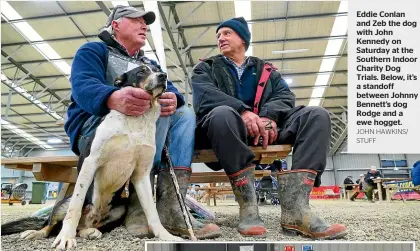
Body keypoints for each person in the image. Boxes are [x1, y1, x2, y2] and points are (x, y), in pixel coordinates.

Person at [64, 5, 221, 239]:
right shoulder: (93, 51)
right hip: (96, 129)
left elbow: (174, 92)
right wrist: (112, 97)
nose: (144, 26)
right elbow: (82, 86)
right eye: (136, 20)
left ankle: (171, 206)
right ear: (115, 25)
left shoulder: (150, 64)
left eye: (145, 22)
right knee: (150, 109)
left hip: (139, 134)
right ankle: (137, 209)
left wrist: (172, 99)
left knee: (184, 112)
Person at [191, 17, 346, 239]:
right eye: (218, 35)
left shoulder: (266, 70)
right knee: (223, 113)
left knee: (316, 115)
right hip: (223, 132)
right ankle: (248, 208)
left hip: (265, 131)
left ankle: (297, 210)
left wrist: (269, 117)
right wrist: (242, 112)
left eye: (227, 33)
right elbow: (204, 96)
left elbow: (285, 95)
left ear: (243, 39)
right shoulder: (206, 67)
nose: (220, 38)